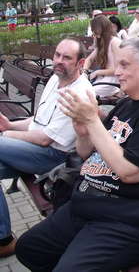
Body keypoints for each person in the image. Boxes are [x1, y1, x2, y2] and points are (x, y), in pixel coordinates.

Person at [16, 39, 139, 271]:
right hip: (94, 203)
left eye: (124, 65)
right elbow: (85, 153)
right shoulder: (126, 105)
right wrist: (83, 134)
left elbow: (129, 172)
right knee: (29, 248)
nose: (116, 72)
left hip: (137, 217)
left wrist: (92, 120)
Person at [0, 39, 92, 257]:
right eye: (57, 55)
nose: (58, 61)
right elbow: (37, 122)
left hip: (56, 157)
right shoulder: (55, 79)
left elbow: (45, 139)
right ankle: (4, 240)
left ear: (81, 63)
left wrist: (7, 135)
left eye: (66, 57)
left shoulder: (79, 93)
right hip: (35, 150)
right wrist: (10, 125)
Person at [84, 16, 121, 98]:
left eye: (95, 30)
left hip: (113, 82)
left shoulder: (115, 42)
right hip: (103, 80)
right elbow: (89, 59)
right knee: (80, 91)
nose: (93, 32)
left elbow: (119, 69)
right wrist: (85, 72)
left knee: (84, 94)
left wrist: (97, 72)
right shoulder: (103, 43)